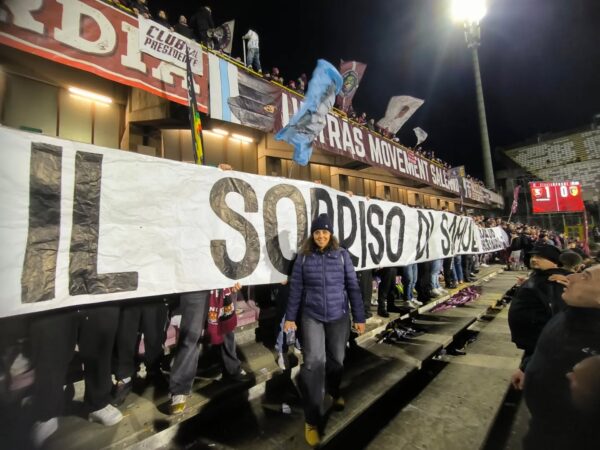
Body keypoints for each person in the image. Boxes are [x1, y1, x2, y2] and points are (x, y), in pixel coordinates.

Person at [283, 214, 365, 447]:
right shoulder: (303, 257)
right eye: (317, 232)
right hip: (312, 316)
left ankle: (334, 390)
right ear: (312, 235)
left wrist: (359, 317)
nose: (321, 236)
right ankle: (311, 420)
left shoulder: (342, 256)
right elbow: (296, 288)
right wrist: (290, 317)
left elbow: (353, 286)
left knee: (337, 360)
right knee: (313, 363)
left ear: (331, 234)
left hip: (339, 316)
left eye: (325, 232)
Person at [522, 265, 600, 449]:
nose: (570, 277)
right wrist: (526, 366)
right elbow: (546, 345)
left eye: (585, 277)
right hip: (542, 423)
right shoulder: (573, 312)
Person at [30, 305, 122, 447]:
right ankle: (47, 411)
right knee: (49, 339)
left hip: (97, 298)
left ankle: (98, 402)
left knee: (102, 333)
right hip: (54, 301)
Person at [168, 284, 251, 414]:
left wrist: (238, 278)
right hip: (196, 286)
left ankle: (232, 368)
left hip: (225, 285)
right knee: (191, 333)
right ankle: (180, 388)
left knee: (226, 328)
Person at [507, 244, 570, 389]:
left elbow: (557, 319)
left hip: (543, 346)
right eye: (533, 256)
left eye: (540, 257)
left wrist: (526, 366)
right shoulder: (540, 277)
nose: (534, 259)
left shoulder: (554, 280)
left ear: (554, 261)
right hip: (536, 344)